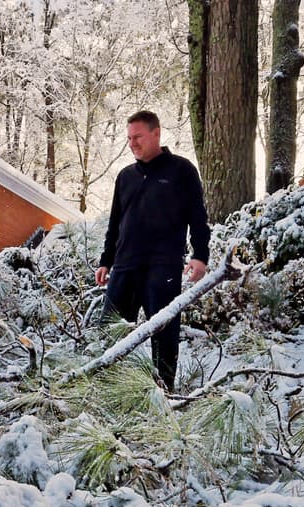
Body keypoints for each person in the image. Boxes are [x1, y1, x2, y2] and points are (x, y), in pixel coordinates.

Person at [95, 110, 210, 392]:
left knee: (164, 334)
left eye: (138, 137)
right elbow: (115, 223)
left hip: (163, 266)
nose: (132, 143)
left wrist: (200, 255)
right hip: (124, 266)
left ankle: (163, 393)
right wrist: (106, 261)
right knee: (109, 332)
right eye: (129, 138)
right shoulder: (125, 177)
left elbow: (198, 216)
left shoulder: (181, 171)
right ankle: (110, 389)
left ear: (156, 133)